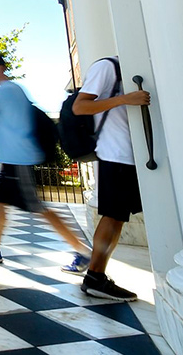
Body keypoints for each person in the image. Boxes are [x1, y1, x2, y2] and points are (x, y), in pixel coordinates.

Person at [0, 54, 93, 270]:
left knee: (40, 209)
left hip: (18, 159)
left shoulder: (3, 91)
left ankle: (82, 251)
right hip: (14, 158)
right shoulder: (15, 90)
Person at [66, 56, 150, 301]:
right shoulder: (108, 66)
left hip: (130, 156)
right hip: (115, 153)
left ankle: (96, 276)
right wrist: (125, 99)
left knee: (117, 218)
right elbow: (79, 106)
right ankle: (94, 277)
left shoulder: (135, 66)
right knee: (113, 217)